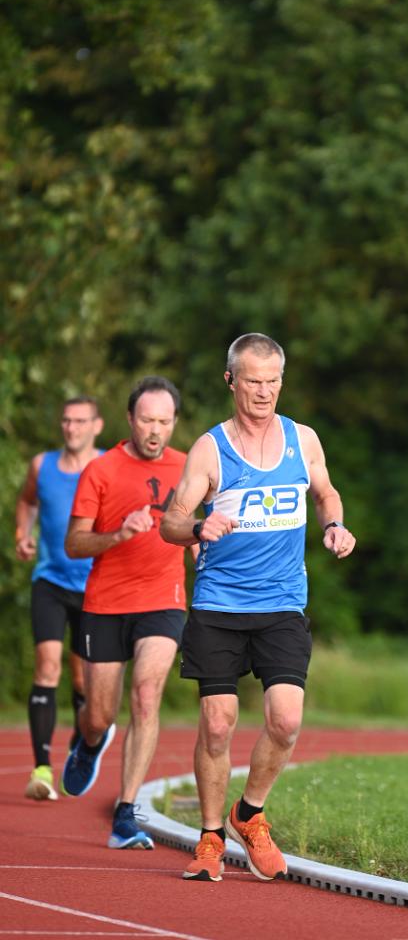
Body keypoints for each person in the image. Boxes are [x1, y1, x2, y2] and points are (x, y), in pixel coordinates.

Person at [160, 333, 356, 883]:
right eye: (253, 381)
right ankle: (209, 837)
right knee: (217, 724)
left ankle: (248, 814)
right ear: (231, 381)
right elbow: (171, 522)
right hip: (219, 604)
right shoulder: (210, 449)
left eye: (273, 382)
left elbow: (326, 493)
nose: (265, 392)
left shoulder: (303, 439)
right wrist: (198, 527)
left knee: (286, 719)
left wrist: (335, 526)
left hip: (282, 602)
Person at [61, 375, 191, 850]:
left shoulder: (189, 466)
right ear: (130, 419)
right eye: (147, 420)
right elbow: (74, 544)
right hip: (106, 603)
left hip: (164, 599)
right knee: (98, 715)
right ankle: (90, 741)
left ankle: (125, 813)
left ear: (174, 422)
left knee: (147, 693)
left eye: (165, 421)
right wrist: (118, 534)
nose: (156, 431)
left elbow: (196, 530)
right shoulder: (101, 470)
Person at [16, 397, 104, 802]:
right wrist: (23, 534)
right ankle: (41, 769)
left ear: (96, 425)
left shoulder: (107, 465)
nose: (72, 428)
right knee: (47, 666)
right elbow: (27, 501)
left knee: (83, 678)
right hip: (50, 581)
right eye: (67, 421)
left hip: (94, 585)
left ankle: (79, 748)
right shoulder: (42, 465)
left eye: (80, 421)